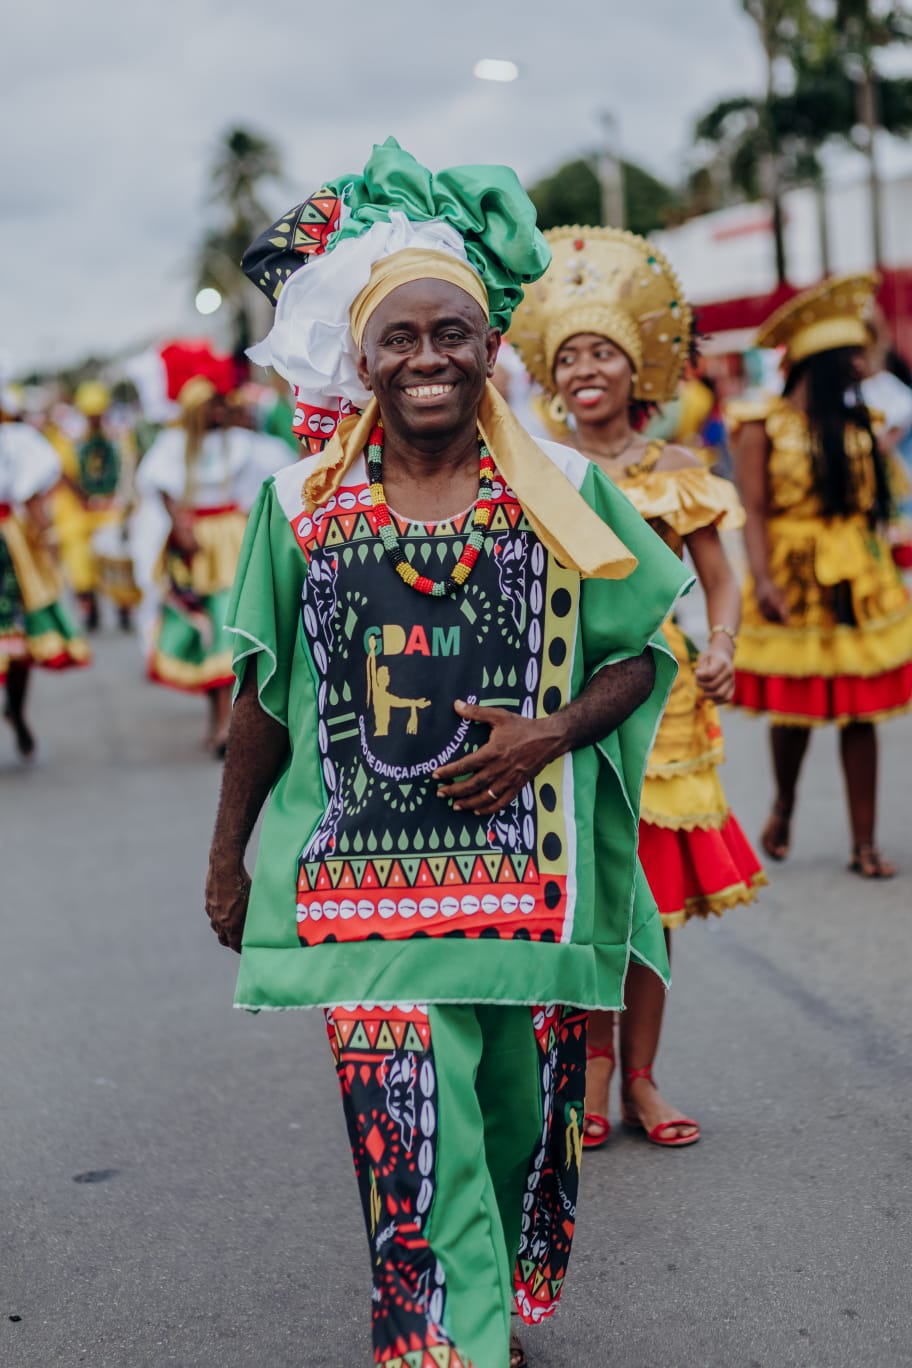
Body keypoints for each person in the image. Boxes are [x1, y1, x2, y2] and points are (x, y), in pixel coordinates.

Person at [205, 140, 690, 1368]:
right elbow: (263, 697)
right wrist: (227, 860)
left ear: (489, 350)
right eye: (400, 338)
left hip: (526, 885)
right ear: (361, 360)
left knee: (518, 1123)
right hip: (358, 889)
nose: (427, 358)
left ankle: (489, 1303)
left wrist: (552, 731)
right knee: (407, 1132)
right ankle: (442, 1343)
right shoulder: (297, 505)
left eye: (453, 334)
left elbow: (641, 654)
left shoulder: (567, 488)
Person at [509, 226, 764, 1152]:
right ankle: (593, 1072)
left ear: (636, 369)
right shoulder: (534, 470)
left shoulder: (679, 472)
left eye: (604, 353)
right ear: (549, 372)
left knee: (648, 903)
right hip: (567, 706)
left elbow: (719, 576)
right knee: (589, 895)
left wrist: (723, 640)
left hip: (662, 707)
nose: (586, 368)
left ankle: (643, 1079)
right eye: (569, 353)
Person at [729, 273, 912, 876]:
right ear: (827, 364)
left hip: (858, 577)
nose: (867, 363)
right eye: (856, 355)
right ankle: (784, 803)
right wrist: (765, 579)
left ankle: (864, 844)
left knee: (860, 713)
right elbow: (753, 510)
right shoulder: (762, 424)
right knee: (796, 712)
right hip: (793, 573)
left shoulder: (865, 423)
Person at [135, 377, 292, 756]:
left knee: (227, 628)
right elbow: (156, 483)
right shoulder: (173, 446)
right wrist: (177, 522)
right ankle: (216, 720)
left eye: (220, 404)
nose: (217, 411)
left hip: (231, 542)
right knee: (204, 631)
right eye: (209, 405)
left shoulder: (243, 443)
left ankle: (227, 725)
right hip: (194, 548)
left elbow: (278, 470)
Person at [0, 388, 90, 757]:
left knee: (18, 645)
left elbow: (33, 493)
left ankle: (17, 711)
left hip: (8, 550)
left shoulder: (14, 440)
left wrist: (48, 538)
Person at [53, 381, 124, 631]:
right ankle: (89, 608)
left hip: (108, 510)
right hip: (77, 512)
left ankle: (123, 604)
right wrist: (84, 498)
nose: (95, 419)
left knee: (116, 559)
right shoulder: (69, 437)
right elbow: (63, 471)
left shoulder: (116, 435)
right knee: (80, 566)